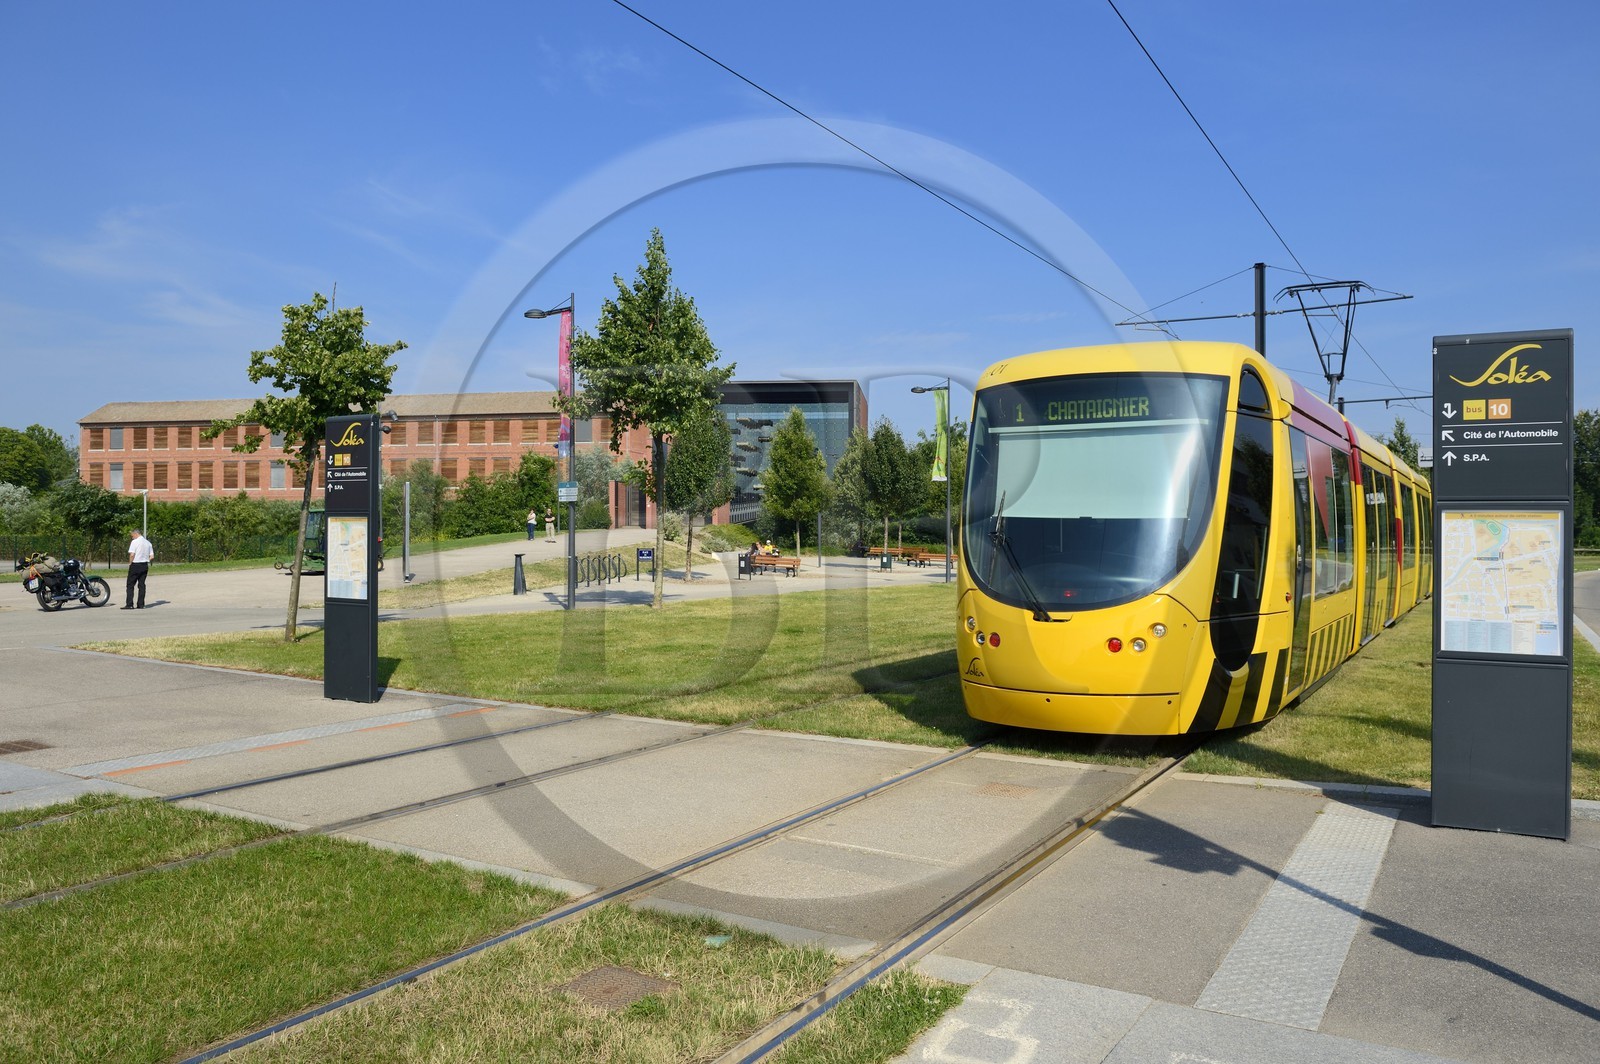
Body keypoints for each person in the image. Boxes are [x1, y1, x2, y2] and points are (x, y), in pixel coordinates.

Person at [124, 528, 154, 609]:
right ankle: (141, 604)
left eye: (132, 535)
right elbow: (151, 556)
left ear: (136, 533)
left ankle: (129, 604)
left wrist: (130, 563)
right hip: (144, 565)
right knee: (141, 585)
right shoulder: (148, 543)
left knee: (130, 585)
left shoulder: (135, 542)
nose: (132, 537)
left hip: (135, 565)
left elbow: (132, 554)